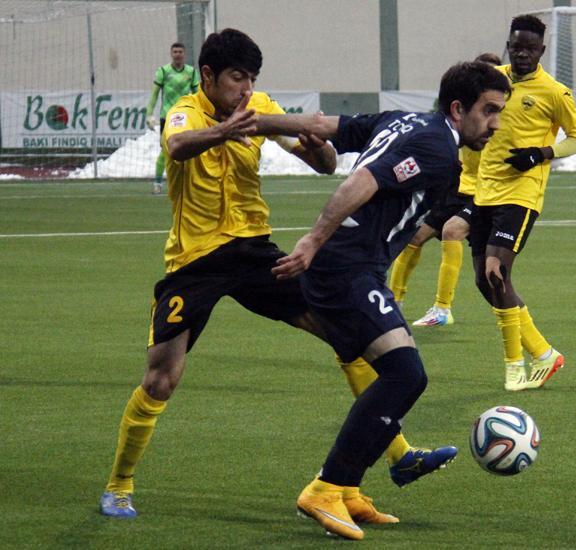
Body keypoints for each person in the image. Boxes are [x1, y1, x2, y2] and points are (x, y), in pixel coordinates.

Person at [99, 28, 455, 523]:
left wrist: (315, 149)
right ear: (208, 76)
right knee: (162, 379)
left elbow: (324, 164)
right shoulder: (186, 109)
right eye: (237, 78)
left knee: (344, 333)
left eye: (252, 79)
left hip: (254, 253)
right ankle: (119, 484)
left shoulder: (259, 108)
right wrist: (226, 131)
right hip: (194, 264)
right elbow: (177, 145)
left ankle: (399, 455)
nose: (246, 90)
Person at [252, 60, 511, 540]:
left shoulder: (402, 120)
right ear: (458, 109)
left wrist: (252, 122)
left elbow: (320, 125)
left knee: (397, 373)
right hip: (345, 267)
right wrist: (312, 241)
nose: (495, 124)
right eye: (490, 111)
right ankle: (327, 487)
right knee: (405, 374)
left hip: (353, 266)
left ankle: (348, 491)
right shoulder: (437, 146)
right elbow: (362, 181)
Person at [470, 14, 576, 391]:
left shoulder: (554, 92)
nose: (522, 54)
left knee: (496, 273)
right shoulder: (491, 80)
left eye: (530, 49)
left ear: (542, 51)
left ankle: (514, 366)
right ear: (508, 46)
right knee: (483, 281)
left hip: (522, 192)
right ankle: (543, 352)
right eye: (516, 47)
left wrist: (542, 153)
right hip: (484, 190)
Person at [389, 52, 502, 327]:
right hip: (457, 185)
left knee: (452, 231)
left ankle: (442, 309)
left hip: (484, 192)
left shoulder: (500, 121)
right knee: (414, 236)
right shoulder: (467, 112)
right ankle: (393, 301)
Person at [145, 42, 200, 194]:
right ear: (171, 53)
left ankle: (188, 182)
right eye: (175, 52)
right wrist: (149, 114)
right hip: (167, 117)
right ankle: (158, 183)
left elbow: (198, 95)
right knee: (166, 150)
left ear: (184, 54)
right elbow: (154, 94)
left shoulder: (191, 72)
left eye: (180, 52)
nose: (178, 54)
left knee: (189, 150)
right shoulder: (163, 71)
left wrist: (202, 113)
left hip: (185, 117)